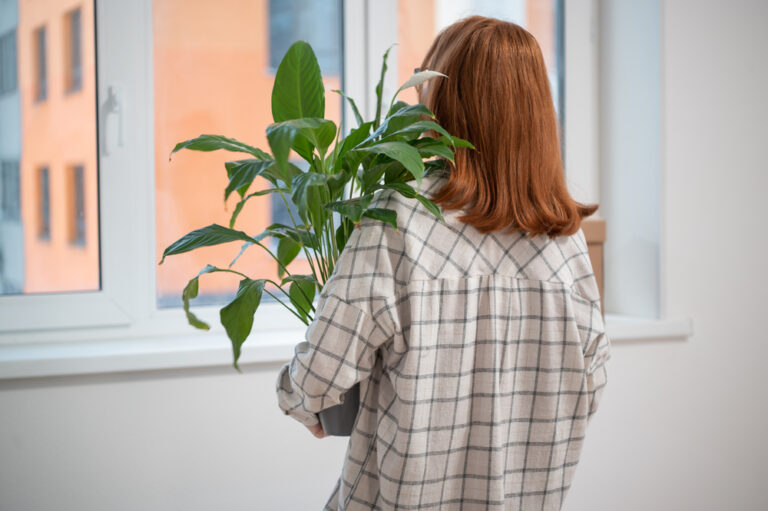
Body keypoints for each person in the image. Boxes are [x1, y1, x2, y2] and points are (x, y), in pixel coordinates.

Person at [276, 15, 611, 511]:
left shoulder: (401, 217)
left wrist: (299, 402)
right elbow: (593, 380)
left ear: (445, 104)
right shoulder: (567, 243)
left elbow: (322, 371)